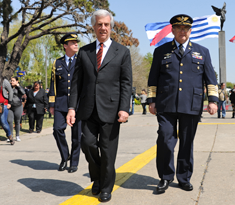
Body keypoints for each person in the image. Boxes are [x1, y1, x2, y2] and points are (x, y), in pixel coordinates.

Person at [147, 14, 218, 193]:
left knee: (187, 143)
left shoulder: (202, 52)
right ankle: (165, 177)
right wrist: (151, 100)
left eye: (185, 28)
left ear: (190, 31)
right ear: (172, 30)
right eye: (179, 28)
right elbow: (153, 78)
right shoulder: (161, 51)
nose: (182, 31)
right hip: (166, 104)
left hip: (191, 104)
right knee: (164, 138)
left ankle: (184, 178)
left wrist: (213, 101)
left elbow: (210, 78)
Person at [66, 9, 132, 203]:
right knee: (87, 144)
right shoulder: (84, 52)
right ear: (94, 27)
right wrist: (71, 108)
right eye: (99, 24)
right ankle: (97, 176)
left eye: (106, 24)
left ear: (111, 27)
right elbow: (76, 83)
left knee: (108, 151)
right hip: (87, 109)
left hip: (112, 110)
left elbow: (126, 83)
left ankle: (105, 187)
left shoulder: (123, 52)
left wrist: (124, 108)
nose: (103, 28)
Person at [48, 33, 82, 173]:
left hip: (78, 104)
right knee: (57, 130)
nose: (76, 44)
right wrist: (51, 104)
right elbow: (53, 84)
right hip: (60, 103)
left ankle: (74, 162)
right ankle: (64, 156)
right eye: (72, 42)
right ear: (65, 46)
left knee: (77, 135)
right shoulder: (57, 62)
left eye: (76, 42)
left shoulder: (81, 61)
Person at [7, 77, 25, 142]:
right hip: (10, 107)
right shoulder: (9, 87)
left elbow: (23, 93)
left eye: (13, 81)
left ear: (17, 81)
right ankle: (10, 136)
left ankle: (17, 136)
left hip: (18, 106)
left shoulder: (19, 87)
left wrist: (19, 86)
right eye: (11, 80)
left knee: (17, 121)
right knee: (9, 121)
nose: (12, 82)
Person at [0, 77, 14, 145]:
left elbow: (11, 91)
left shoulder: (4, 81)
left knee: (3, 122)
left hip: (4, 105)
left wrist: (10, 103)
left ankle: (9, 135)